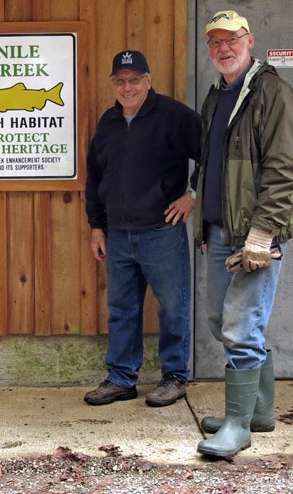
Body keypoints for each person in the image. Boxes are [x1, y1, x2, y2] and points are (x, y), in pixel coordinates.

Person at [193, 10, 293, 457]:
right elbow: (210, 167)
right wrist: (205, 224)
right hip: (221, 230)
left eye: (232, 39)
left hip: (254, 234)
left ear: (250, 40)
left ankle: (238, 426)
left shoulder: (273, 92)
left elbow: (286, 169)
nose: (223, 47)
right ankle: (257, 410)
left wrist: (263, 234)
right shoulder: (217, 96)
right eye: (215, 41)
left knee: (241, 326)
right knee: (225, 322)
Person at [84, 50, 201, 408]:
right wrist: (96, 226)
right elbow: (95, 178)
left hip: (161, 232)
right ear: (113, 84)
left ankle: (175, 377)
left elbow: (213, 153)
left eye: (134, 79)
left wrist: (192, 194)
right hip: (118, 234)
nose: (127, 86)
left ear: (148, 81)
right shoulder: (108, 122)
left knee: (173, 307)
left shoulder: (174, 115)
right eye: (120, 80)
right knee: (122, 309)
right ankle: (121, 378)